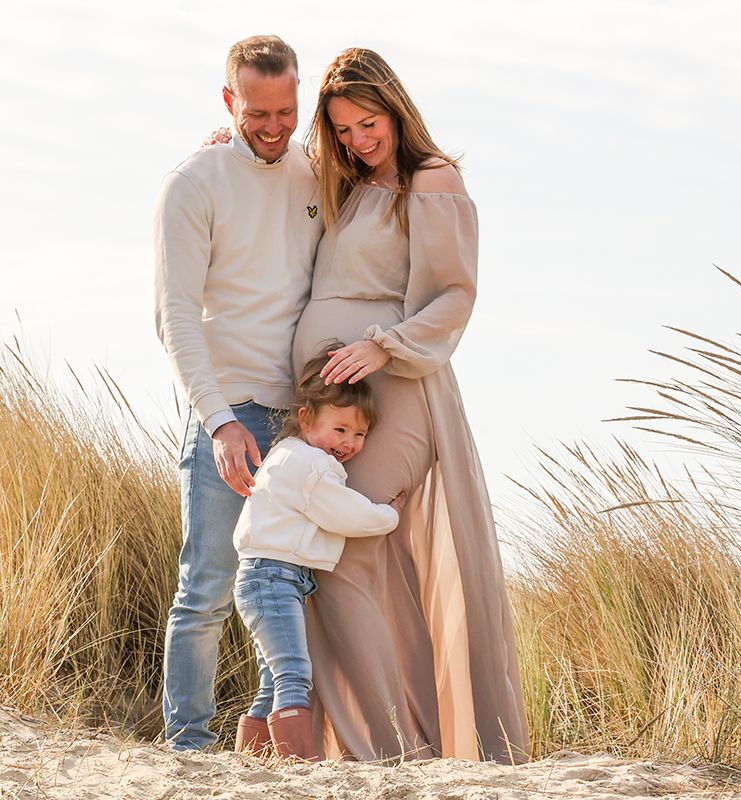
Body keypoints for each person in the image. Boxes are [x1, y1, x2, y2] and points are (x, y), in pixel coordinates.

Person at [293, 47, 529, 762]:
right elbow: (271, 161)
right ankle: (397, 740)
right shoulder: (348, 185)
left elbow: (455, 293)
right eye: (342, 130)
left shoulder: (431, 179)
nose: (358, 140)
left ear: (395, 110)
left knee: (338, 552)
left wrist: (384, 347)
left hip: (394, 394)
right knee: (351, 562)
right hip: (338, 401)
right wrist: (225, 146)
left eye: (369, 124)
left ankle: (390, 750)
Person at [153, 34, 322, 751]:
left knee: (288, 584)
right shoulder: (193, 183)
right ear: (229, 101)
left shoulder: (313, 173)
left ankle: (263, 732)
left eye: (287, 111)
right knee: (209, 584)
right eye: (258, 113)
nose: (274, 127)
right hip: (235, 413)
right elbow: (174, 318)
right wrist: (220, 422)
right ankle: (187, 743)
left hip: (304, 418)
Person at [231, 350, 405, 761]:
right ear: (306, 419)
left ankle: (250, 762)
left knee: (274, 680)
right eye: (340, 429)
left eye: (359, 435)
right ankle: (301, 765)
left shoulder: (289, 454)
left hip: (264, 578)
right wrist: (388, 516)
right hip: (273, 579)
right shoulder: (311, 466)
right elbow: (345, 512)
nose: (348, 442)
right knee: (293, 674)